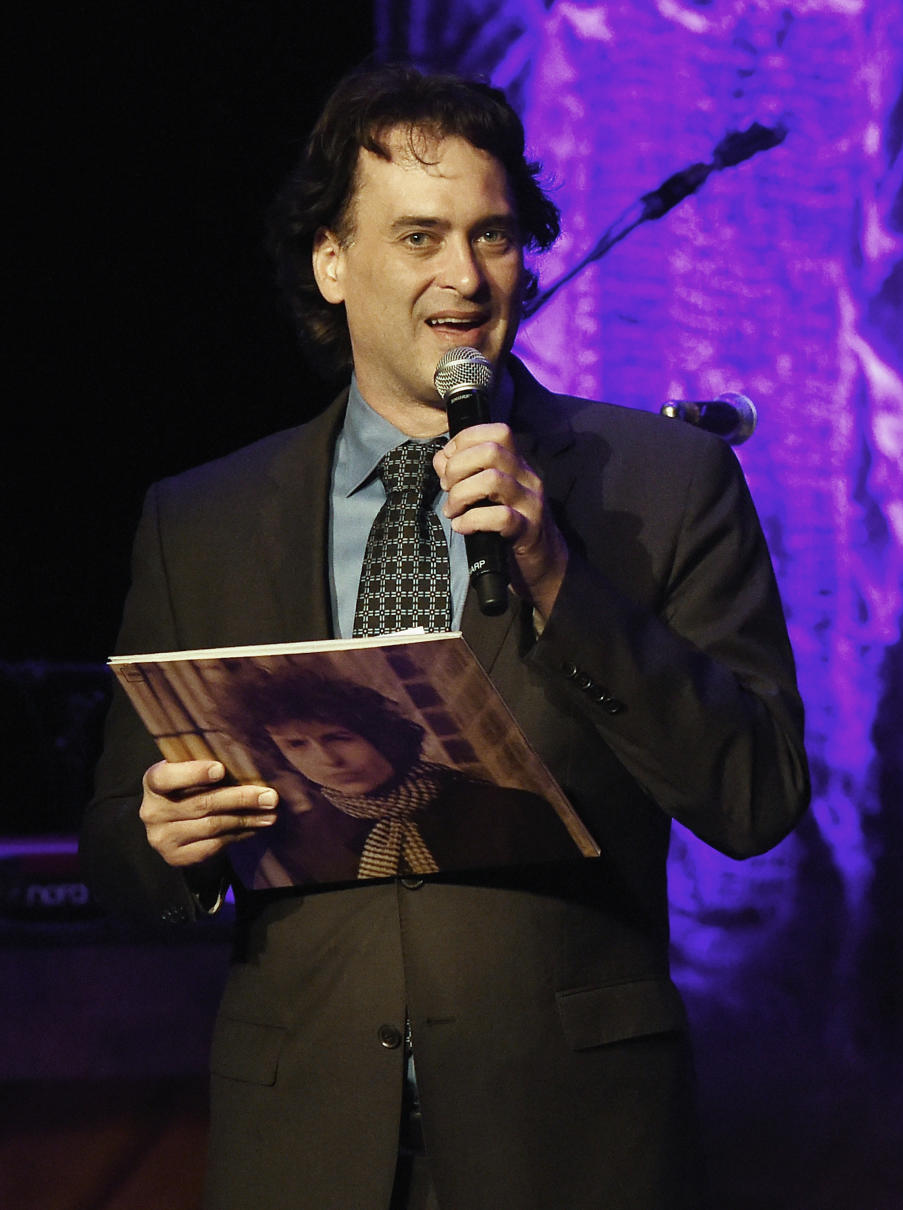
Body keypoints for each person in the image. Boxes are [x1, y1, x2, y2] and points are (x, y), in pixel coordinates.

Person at [82, 65, 810, 1210]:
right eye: (418, 236)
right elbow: (121, 849)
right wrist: (162, 844)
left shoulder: (666, 486)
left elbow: (756, 795)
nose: (464, 277)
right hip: (303, 1141)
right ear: (333, 261)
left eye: (495, 236)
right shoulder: (203, 520)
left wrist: (563, 576)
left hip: (574, 1143)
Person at [211, 673, 579, 885]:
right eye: (296, 745)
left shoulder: (509, 812)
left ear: (381, 735)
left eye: (338, 737)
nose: (328, 760)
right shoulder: (299, 846)